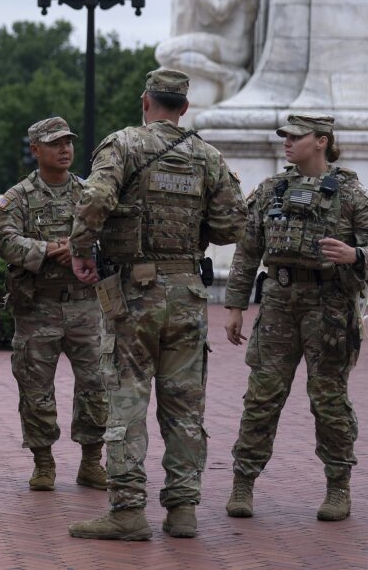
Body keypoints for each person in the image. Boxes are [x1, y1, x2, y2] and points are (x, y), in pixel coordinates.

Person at [66, 68, 247, 541]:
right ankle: (183, 510)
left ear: (145, 102)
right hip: (188, 292)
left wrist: (81, 250)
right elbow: (233, 225)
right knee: (185, 405)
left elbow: (94, 200)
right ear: (184, 107)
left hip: (134, 293)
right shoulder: (207, 156)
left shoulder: (123, 144)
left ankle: (127, 511)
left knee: (127, 400)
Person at [222, 114, 368, 522]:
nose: (287, 142)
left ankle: (338, 487)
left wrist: (355, 255)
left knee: (328, 398)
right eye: (285, 136)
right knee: (262, 396)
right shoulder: (270, 191)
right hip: (278, 303)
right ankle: (243, 483)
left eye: (297, 137)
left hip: (329, 306)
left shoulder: (352, 195)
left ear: (321, 141)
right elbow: (247, 251)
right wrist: (235, 306)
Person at [0, 117, 109, 492]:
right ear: (35, 150)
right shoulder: (18, 197)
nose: (64, 149)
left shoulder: (89, 194)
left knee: (96, 386)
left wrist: (78, 248)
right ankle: (43, 462)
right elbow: (5, 240)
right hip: (37, 307)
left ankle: (91, 462)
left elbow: (112, 238)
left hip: (85, 305)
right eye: (55, 143)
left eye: (68, 142)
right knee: (36, 389)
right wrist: (47, 250)